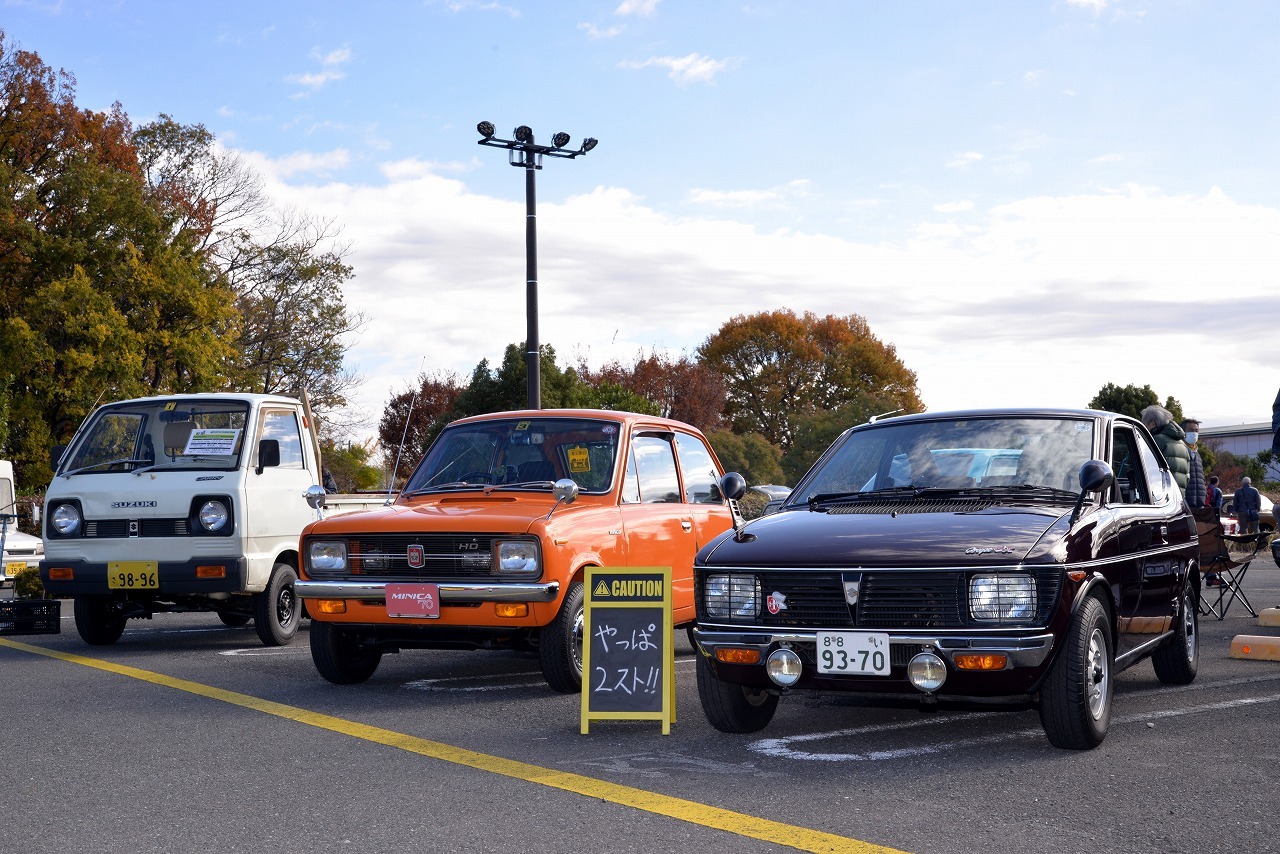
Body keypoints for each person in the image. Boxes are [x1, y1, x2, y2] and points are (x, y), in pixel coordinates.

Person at [1140, 405, 1190, 491]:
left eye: (1144, 425)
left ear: (1152, 423)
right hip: (1177, 497)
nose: (1143, 429)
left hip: (1159, 496)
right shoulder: (1182, 444)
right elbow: (1187, 476)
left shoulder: (1155, 440)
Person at [1182, 418, 1205, 508]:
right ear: (1183, 432)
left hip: (1199, 503)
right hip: (1184, 503)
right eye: (1191, 430)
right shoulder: (1179, 451)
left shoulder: (1197, 454)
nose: (1194, 433)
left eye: (1196, 431)